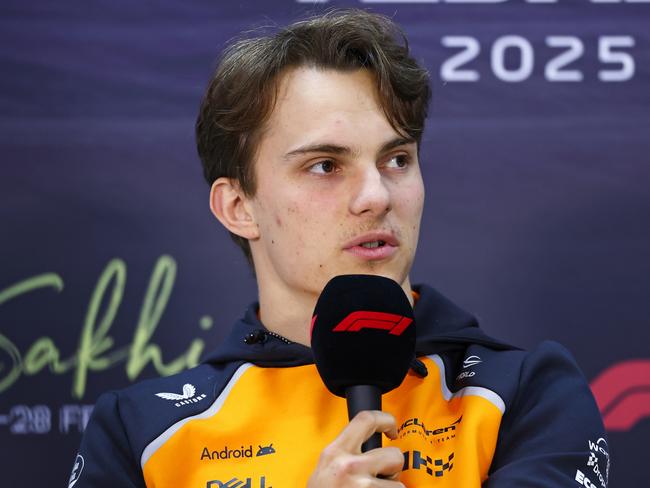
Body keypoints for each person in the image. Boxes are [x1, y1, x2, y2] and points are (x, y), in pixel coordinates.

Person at [70, 9, 609, 488]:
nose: (376, 196)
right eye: (325, 166)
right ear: (239, 207)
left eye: (397, 159)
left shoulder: (525, 391)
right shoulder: (138, 431)